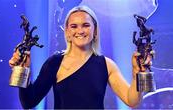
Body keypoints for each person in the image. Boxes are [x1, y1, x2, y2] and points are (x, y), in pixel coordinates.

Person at [9, 5, 150, 109]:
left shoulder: (107, 64)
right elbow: (28, 102)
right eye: (74, 26)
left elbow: (132, 101)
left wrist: (138, 73)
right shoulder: (55, 63)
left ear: (95, 31)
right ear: (68, 32)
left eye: (86, 25)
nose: (80, 31)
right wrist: (23, 70)